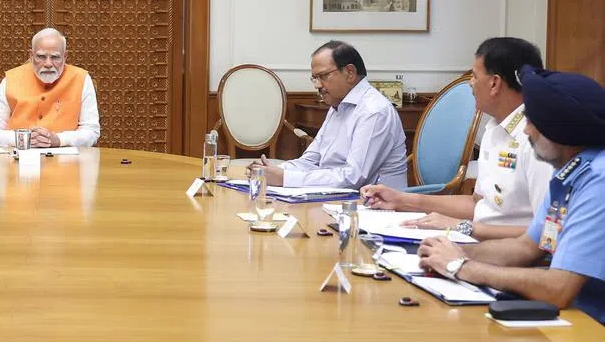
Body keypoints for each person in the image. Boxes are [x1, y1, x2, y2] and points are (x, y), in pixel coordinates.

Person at [418, 66, 605, 324]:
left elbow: (559, 288)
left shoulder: (598, 180)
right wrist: (451, 252)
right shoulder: (569, 172)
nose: (526, 131)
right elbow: (525, 247)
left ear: (559, 129)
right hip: (575, 318)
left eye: (533, 122)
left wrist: (463, 267)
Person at [362, 37, 551, 240]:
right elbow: (477, 204)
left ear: (494, 83)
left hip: (508, 252)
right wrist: (400, 200)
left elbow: (547, 233)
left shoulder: (539, 139)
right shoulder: (494, 129)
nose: (470, 83)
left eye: (475, 76)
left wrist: (462, 227)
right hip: (478, 240)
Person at [254, 40, 406, 189]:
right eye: (315, 78)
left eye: (323, 76)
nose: (317, 85)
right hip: (340, 197)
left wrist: (284, 178)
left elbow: (352, 178)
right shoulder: (338, 106)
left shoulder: (374, 111)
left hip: (374, 202)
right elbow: (311, 160)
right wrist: (271, 170)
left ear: (350, 73)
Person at [0, 28, 100, 148]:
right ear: (31, 55)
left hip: (66, 157)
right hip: (18, 157)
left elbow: (91, 131)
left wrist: (59, 140)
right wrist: (23, 138)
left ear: (65, 56)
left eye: (55, 57)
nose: (48, 64)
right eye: (41, 57)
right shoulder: (11, 79)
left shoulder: (81, 79)